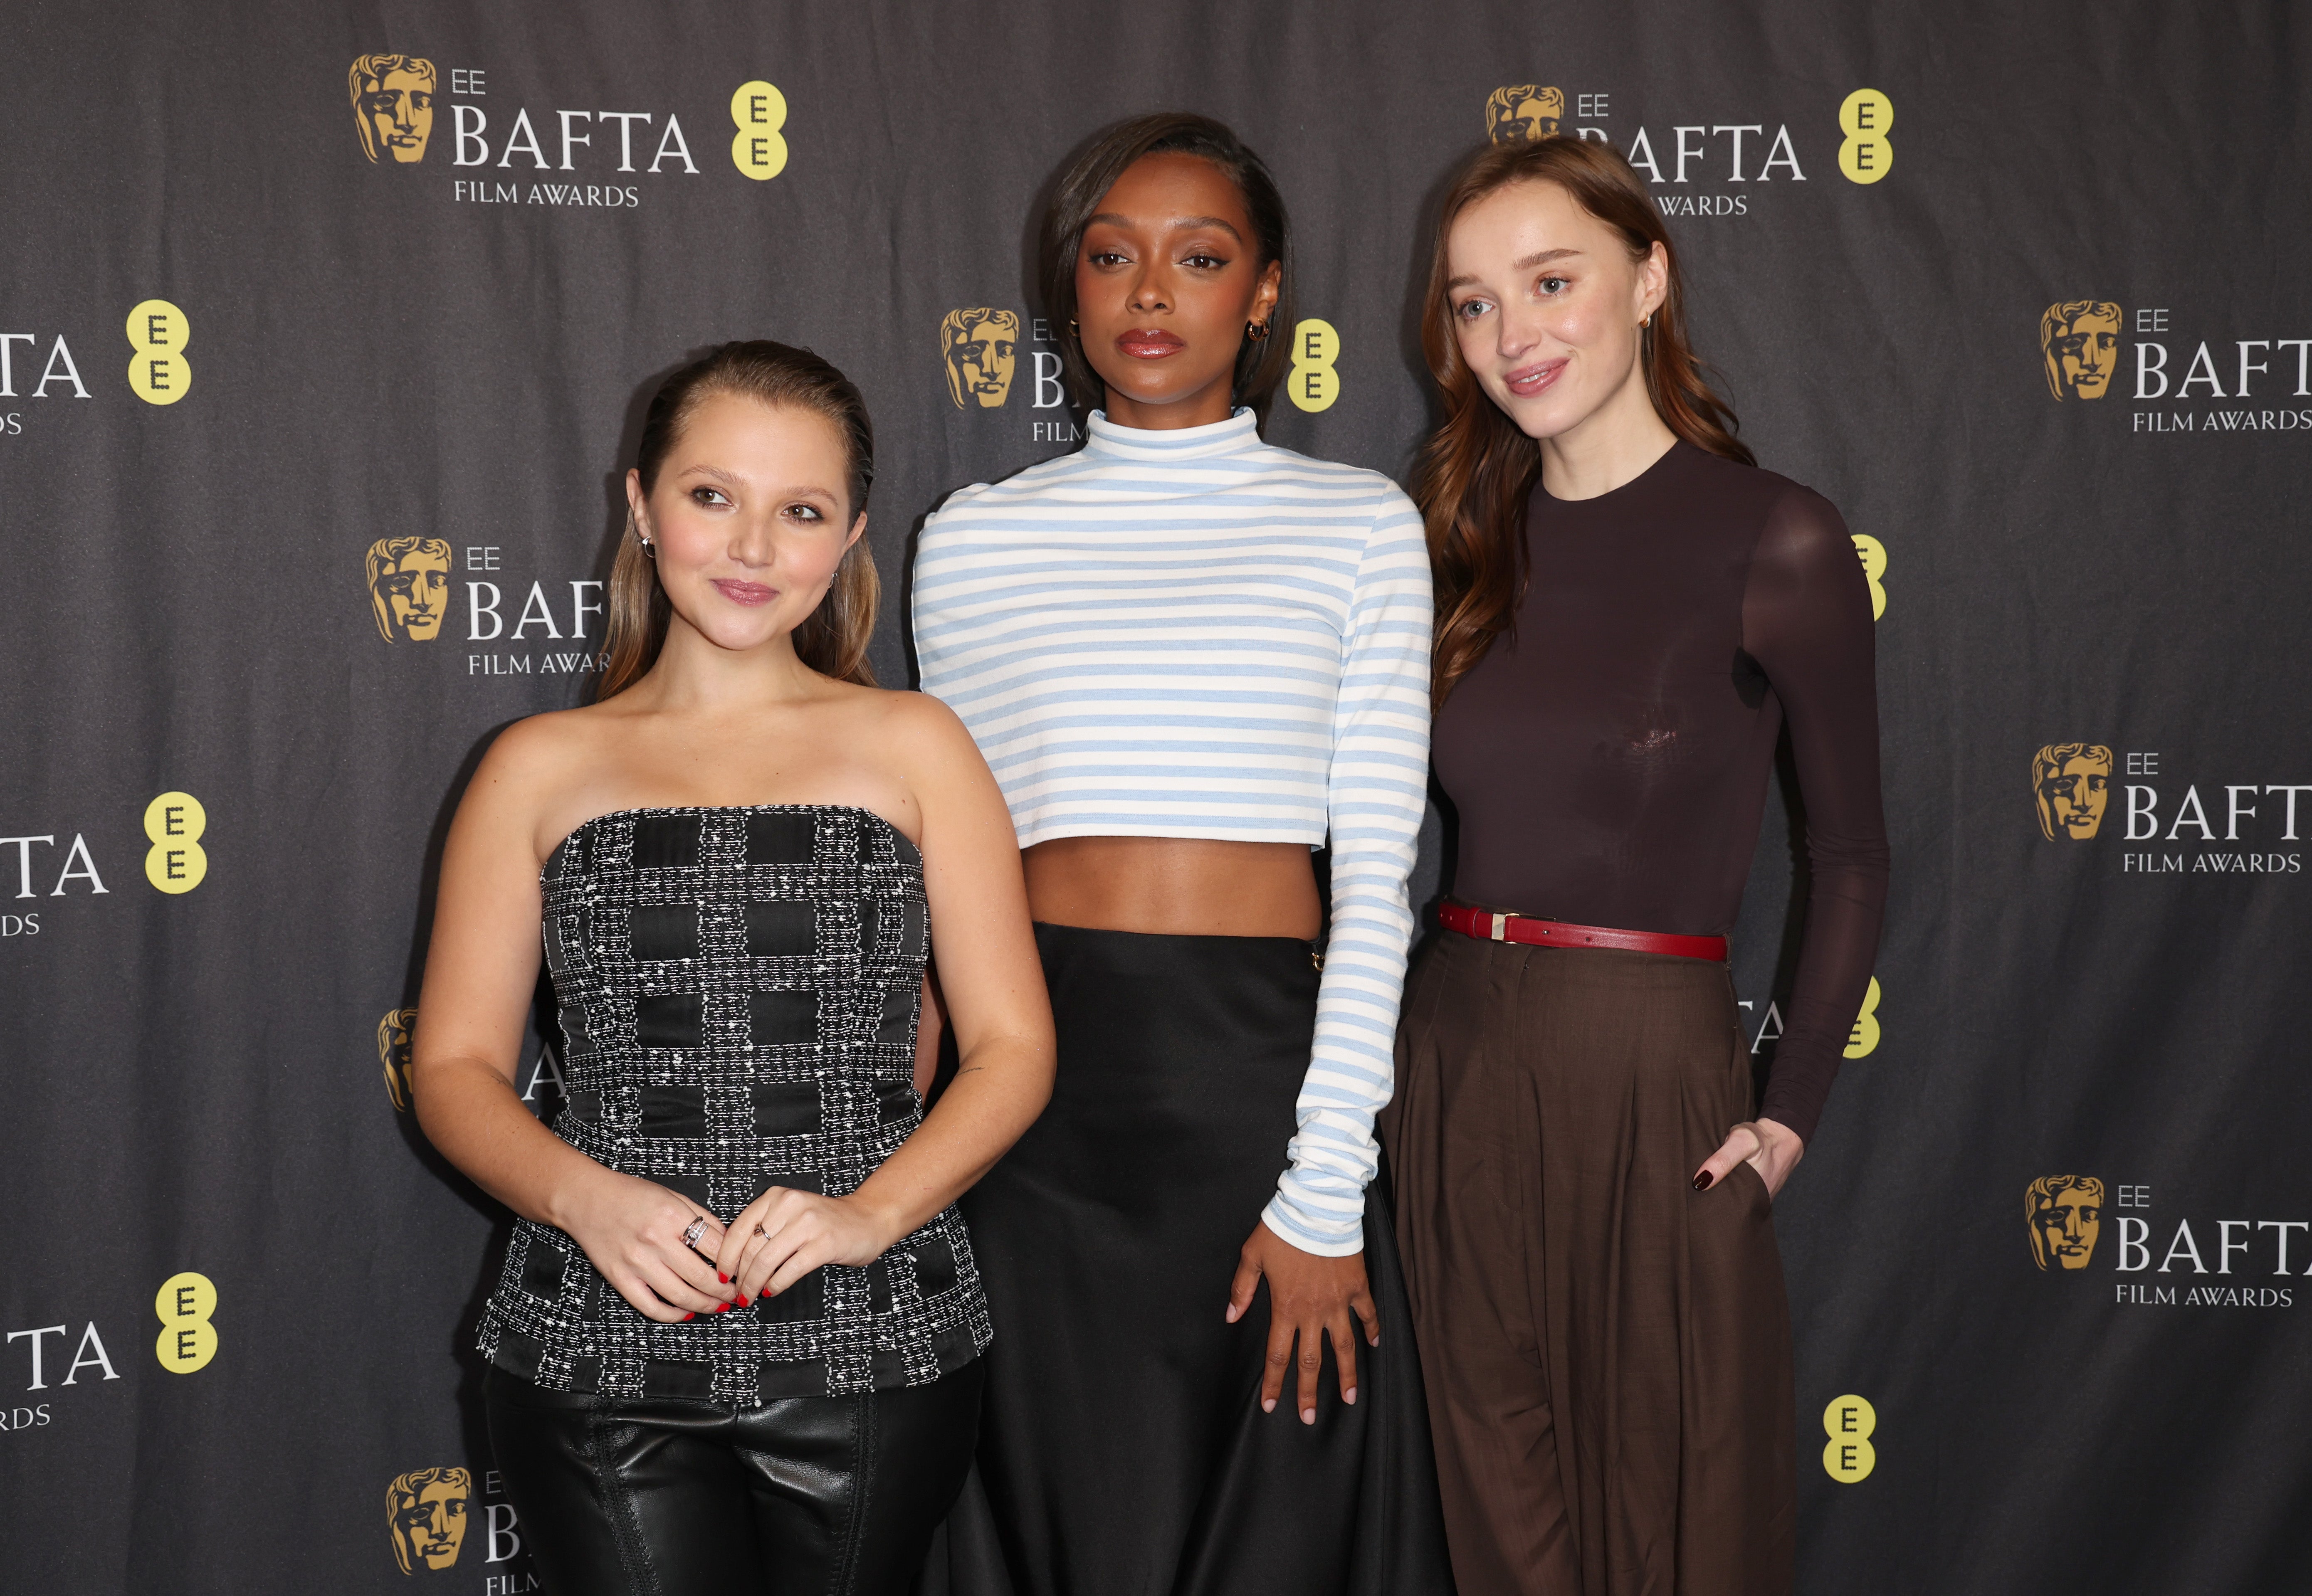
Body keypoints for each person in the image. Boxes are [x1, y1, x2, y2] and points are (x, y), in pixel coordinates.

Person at [410, 340, 1055, 1596]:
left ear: (851, 535)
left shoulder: (914, 744)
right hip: (595, 1347)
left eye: (800, 511)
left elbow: (1017, 1049)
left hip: (874, 1344)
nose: (754, 548)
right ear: (642, 505)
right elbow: (453, 1067)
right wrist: (584, 1200)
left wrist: (872, 1214)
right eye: (715, 497)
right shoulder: (535, 765)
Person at [911, 113, 1453, 1596]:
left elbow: (1374, 887)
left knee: (1276, 1521)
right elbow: (952, 877)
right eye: (1113, 258)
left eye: (1199, 259)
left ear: (1265, 292)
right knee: (1052, 1517)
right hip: (1036, 1099)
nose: (1152, 295)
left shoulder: (1359, 524)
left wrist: (1324, 1185)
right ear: (1071, 293)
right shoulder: (969, 539)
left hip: (1258, 1092)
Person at [1385, 135, 1890, 1596]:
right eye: (1473, 305)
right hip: (1457, 1063)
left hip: (1657, 1069)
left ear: (1651, 278)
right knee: (1502, 1517)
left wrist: (1788, 1115)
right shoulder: (1453, 543)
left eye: (1552, 282)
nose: (1511, 335)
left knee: (1682, 1520)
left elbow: (1852, 853)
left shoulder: (1775, 538)